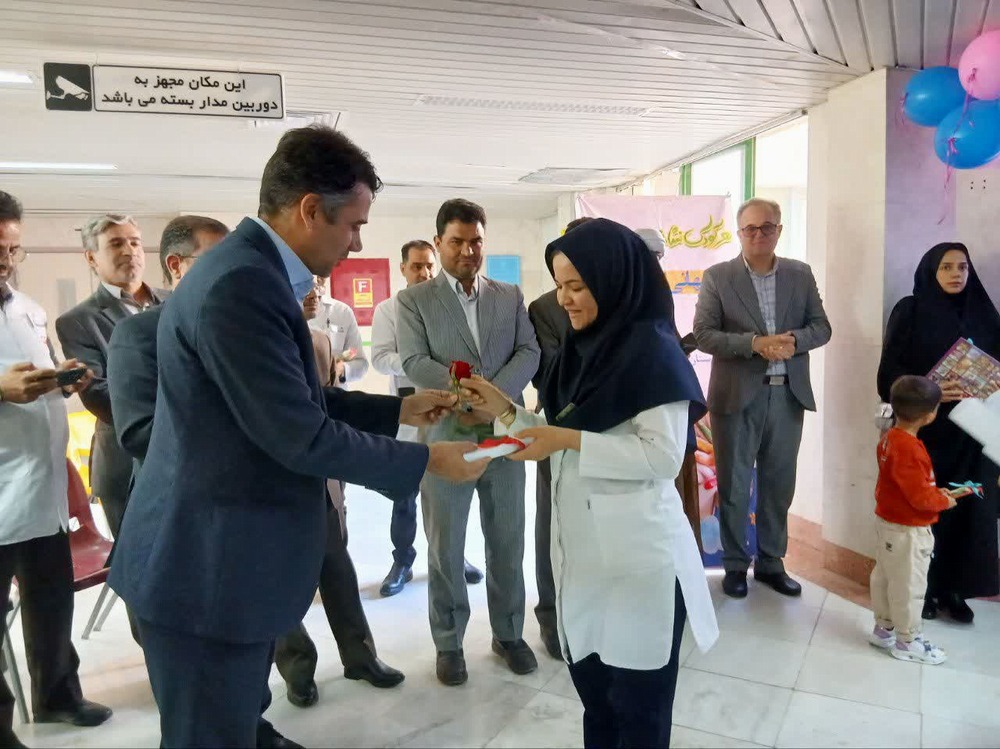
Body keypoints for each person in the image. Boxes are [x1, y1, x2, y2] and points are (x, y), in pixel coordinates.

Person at [107, 125, 487, 748]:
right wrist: (426, 462)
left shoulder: (246, 271)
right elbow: (298, 435)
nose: (357, 242)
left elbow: (287, 399)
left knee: (235, 721)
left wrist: (400, 410)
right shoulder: (241, 284)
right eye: (353, 225)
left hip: (226, 559)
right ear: (311, 210)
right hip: (204, 568)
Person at [460, 218, 718, 749]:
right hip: (583, 561)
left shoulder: (654, 353)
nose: (564, 299)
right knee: (597, 704)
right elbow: (554, 430)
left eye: (577, 286)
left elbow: (662, 457)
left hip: (639, 565)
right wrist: (504, 409)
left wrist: (566, 441)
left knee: (639, 711)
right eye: (560, 285)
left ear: (612, 279)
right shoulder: (580, 354)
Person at [397, 198, 541, 686]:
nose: (467, 250)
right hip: (446, 440)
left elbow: (529, 350)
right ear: (439, 243)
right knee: (446, 546)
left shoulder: (509, 295)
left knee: (508, 540)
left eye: (476, 241)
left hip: (504, 437)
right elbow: (414, 361)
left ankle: (509, 633)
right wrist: (468, 397)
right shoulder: (415, 301)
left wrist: (494, 399)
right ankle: (449, 642)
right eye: (457, 241)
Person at [0, 190, 112, 748]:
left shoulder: (27, 308)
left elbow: (34, 373)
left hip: (40, 484)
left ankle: (57, 695)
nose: (6, 260)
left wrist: (60, 377)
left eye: (12, 249)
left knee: (51, 600)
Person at [693, 197, 831, 599]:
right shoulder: (718, 277)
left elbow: (821, 327)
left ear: (779, 230)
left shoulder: (800, 274)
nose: (759, 235)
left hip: (787, 395)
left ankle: (772, 562)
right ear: (739, 233)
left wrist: (793, 341)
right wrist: (754, 344)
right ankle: (736, 564)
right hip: (736, 396)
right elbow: (704, 334)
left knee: (779, 484)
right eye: (750, 228)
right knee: (734, 484)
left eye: (767, 227)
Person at [876, 242, 1000, 622]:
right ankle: (925, 589)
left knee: (969, 509)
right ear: (931, 271)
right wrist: (929, 388)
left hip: (974, 434)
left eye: (962, 267)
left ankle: (955, 589)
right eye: (946, 267)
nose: (956, 274)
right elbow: (888, 374)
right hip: (928, 430)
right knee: (926, 508)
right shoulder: (911, 311)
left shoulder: (984, 314)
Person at [370, 240, 484, 597]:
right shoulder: (388, 309)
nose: (425, 272)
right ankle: (403, 561)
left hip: (445, 410)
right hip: (409, 410)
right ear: (403, 269)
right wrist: (416, 361)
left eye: (429, 265)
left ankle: (454, 555)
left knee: (448, 491)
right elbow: (380, 358)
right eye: (417, 266)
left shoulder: (446, 306)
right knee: (404, 492)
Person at [55, 214, 168, 540]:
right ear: (91, 258)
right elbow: (99, 394)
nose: (130, 251)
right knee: (142, 562)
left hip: (191, 458)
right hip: (125, 461)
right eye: (116, 244)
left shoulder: (175, 301)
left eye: (135, 242)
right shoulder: (79, 321)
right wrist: (178, 408)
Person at [869, 375, 970, 665]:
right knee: (909, 586)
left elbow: (906, 485)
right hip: (909, 530)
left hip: (888, 522)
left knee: (886, 577)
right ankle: (908, 641)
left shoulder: (889, 438)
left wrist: (934, 492)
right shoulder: (911, 449)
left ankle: (883, 629)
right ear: (930, 415)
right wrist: (943, 500)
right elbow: (919, 498)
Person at [308, 280, 368, 388]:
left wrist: (342, 369)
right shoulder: (286, 310)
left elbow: (360, 362)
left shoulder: (342, 311)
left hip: (335, 393)